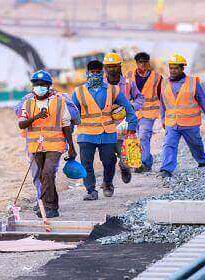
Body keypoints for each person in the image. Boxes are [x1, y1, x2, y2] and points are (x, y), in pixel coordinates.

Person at [72, 60, 138, 200]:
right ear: (87, 73)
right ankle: (91, 191)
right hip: (86, 135)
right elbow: (72, 115)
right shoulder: (78, 92)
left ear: (102, 73)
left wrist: (132, 127)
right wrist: (66, 136)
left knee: (110, 161)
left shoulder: (113, 89)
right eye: (92, 72)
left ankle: (108, 183)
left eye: (97, 72)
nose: (95, 75)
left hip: (107, 133)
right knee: (86, 164)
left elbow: (128, 107)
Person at [18, 70, 76, 218]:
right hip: (36, 145)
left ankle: (46, 205)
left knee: (47, 173)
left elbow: (66, 125)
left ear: (49, 86)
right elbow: (21, 124)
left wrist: (71, 147)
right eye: (36, 84)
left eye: (43, 84)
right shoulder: (28, 103)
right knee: (44, 177)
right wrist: (36, 117)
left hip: (55, 145)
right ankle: (52, 207)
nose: (39, 87)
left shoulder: (59, 101)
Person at [159, 54, 205, 178]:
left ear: (182, 68)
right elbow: (163, 103)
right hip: (172, 123)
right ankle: (166, 169)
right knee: (169, 144)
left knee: (195, 144)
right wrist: (163, 119)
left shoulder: (193, 82)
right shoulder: (163, 83)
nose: (173, 71)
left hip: (190, 123)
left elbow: (203, 101)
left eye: (176, 68)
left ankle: (202, 160)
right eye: (171, 68)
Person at [103, 52, 144, 183]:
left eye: (114, 66)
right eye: (109, 66)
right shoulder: (101, 84)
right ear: (105, 68)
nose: (112, 69)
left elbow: (140, 98)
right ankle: (107, 183)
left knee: (125, 154)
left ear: (119, 66)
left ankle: (124, 167)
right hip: (107, 126)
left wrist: (132, 106)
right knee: (108, 158)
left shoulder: (127, 83)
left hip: (125, 125)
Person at [126, 52, 162, 173]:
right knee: (134, 138)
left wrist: (164, 114)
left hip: (149, 112)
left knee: (143, 136)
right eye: (140, 62)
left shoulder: (157, 77)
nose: (143, 64)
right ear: (136, 63)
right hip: (133, 112)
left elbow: (163, 95)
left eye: (145, 61)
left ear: (148, 62)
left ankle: (143, 163)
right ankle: (142, 161)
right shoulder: (129, 75)